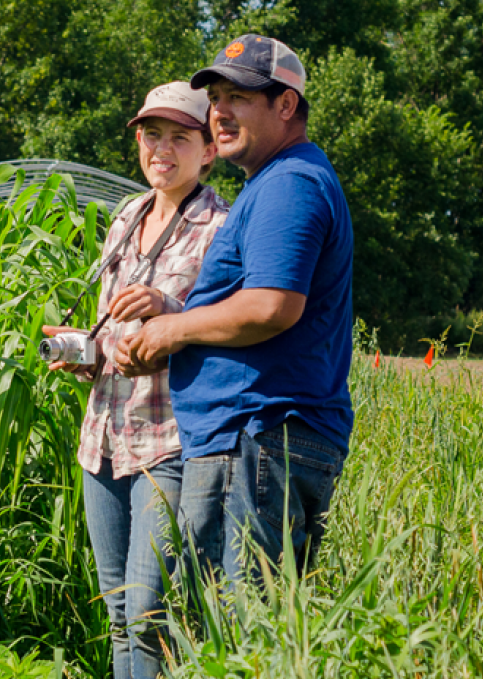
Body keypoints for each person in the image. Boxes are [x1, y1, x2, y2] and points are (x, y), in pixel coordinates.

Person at [115, 35, 355, 585]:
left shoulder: (289, 183)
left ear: (286, 105)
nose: (219, 111)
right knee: (224, 628)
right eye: (215, 97)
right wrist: (174, 340)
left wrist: (174, 327)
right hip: (252, 440)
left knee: (234, 631)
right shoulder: (274, 181)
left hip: (257, 439)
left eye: (239, 98)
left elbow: (271, 307)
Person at [42, 81, 228, 679]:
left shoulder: (220, 227)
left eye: (181, 137)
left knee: (153, 612)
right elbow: (110, 341)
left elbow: (232, 327)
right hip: (104, 438)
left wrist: (169, 309)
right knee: (119, 610)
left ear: (208, 151)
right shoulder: (125, 219)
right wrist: (80, 350)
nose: (163, 150)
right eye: (152, 135)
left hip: (169, 440)